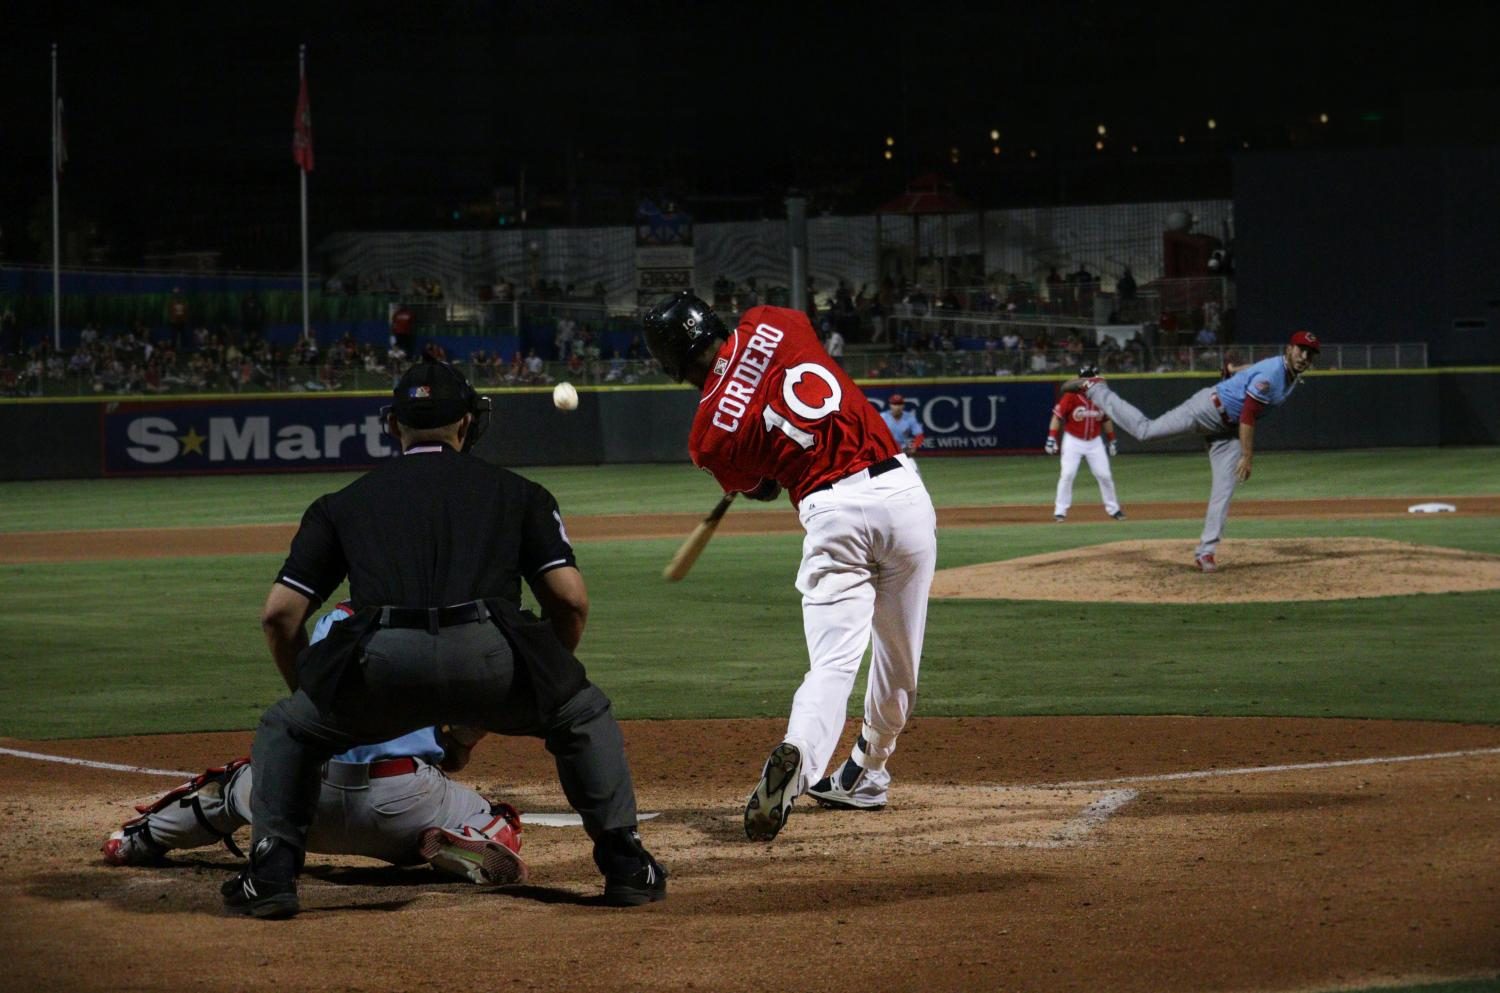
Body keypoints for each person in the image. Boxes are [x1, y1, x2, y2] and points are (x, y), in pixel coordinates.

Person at [222, 357, 664, 918]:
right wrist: (542, 677)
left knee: (286, 728)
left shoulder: (343, 502)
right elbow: (570, 599)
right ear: (467, 424)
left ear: (392, 426)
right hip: (492, 657)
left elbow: (279, 617)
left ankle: (273, 875)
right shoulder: (519, 493)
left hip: (380, 666)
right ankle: (627, 866)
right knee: (582, 714)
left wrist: (318, 699)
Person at [641, 292, 937, 842]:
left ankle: (799, 755)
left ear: (672, 363)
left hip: (832, 515)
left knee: (832, 665)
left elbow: (766, 486)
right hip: (901, 495)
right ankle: (868, 772)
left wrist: (750, 468)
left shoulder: (708, 437)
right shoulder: (770, 320)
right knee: (898, 662)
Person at [103, 603, 527, 885]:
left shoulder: (336, 620)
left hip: (301, 804)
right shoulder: (448, 621)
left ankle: (138, 839)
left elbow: (303, 683)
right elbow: (483, 711)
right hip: (403, 811)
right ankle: (466, 836)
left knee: (231, 788)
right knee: (495, 816)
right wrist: (453, 746)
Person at [1061, 330, 1321, 571]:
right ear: (1289, 349)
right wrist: (1247, 455)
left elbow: (1255, 369)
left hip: (1225, 431)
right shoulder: (1274, 374)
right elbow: (1248, 415)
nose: (1305, 356)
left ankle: (1205, 552)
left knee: (1224, 487)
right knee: (1146, 431)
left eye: (1310, 353)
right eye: (1301, 350)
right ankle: (1095, 388)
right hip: (1208, 410)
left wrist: (1234, 369)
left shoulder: (1286, 371)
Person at [1046, 365, 1125, 522]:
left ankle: (1114, 509)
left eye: (1091, 377)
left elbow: (1105, 420)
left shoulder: (1101, 396)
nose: (1088, 380)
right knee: (1067, 474)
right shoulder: (1071, 396)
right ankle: (1060, 511)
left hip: (1094, 442)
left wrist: (1112, 439)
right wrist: (1051, 437)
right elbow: (1057, 417)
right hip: (1073, 441)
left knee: (1105, 475)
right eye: (1085, 378)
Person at [881, 393, 925, 459]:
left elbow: (919, 435)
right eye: (894, 404)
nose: (897, 407)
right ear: (890, 405)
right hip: (885, 449)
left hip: (902, 450)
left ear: (903, 405)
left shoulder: (909, 417)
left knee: (912, 468)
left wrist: (914, 446)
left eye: (899, 404)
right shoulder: (883, 417)